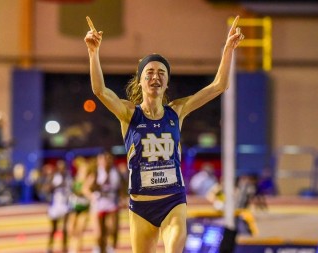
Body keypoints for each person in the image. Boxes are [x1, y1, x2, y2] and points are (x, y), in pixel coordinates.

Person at [84, 15, 244, 253]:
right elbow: (99, 91)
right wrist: (93, 52)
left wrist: (228, 49)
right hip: (141, 206)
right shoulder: (129, 114)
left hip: (173, 201)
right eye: (149, 72)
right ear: (140, 81)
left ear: (167, 82)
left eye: (161, 72)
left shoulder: (176, 111)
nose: (155, 77)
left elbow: (218, 86)